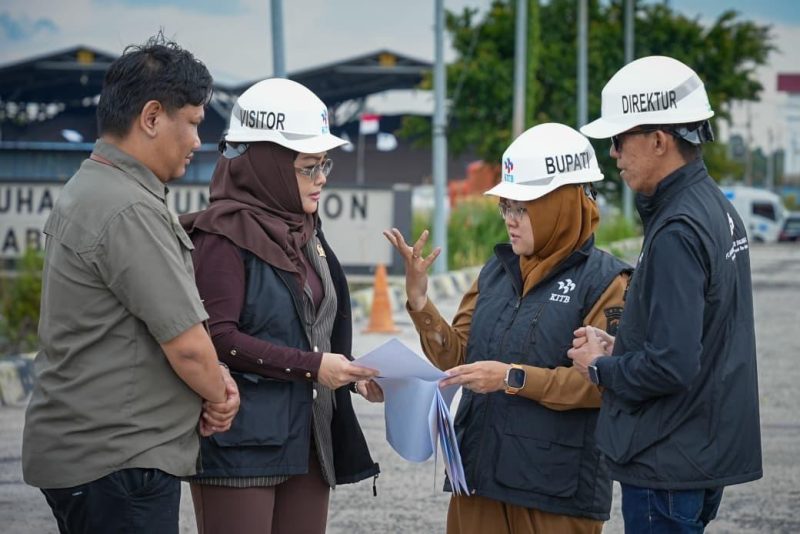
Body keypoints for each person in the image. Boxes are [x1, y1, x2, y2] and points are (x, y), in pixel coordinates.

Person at [21, 34, 240, 534]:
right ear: (152, 117)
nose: (197, 141)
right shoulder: (128, 207)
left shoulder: (93, 186)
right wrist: (220, 392)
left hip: (92, 455)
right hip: (120, 460)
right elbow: (187, 347)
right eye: (193, 123)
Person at [384, 123, 632, 534]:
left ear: (559, 206)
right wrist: (420, 302)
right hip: (478, 480)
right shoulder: (496, 272)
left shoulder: (606, 282)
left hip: (554, 493)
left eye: (522, 209)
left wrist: (511, 378)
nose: (510, 222)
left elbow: (599, 384)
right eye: (506, 208)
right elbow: (458, 356)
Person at [568, 55, 763, 533]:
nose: (613, 154)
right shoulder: (714, 207)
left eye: (619, 139)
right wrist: (623, 345)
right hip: (697, 449)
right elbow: (701, 333)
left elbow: (672, 364)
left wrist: (600, 367)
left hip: (667, 459)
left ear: (659, 140)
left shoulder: (678, 228)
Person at [180, 77, 382, 534]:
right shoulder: (221, 235)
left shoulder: (304, 231)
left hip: (309, 437)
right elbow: (217, 338)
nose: (322, 178)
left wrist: (351, 375)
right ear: (267, 167)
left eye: (324, 164)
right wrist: (314, 367)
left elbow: (309, 329)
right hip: (242, 446)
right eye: (309, 167)